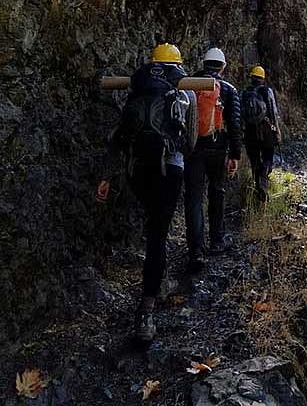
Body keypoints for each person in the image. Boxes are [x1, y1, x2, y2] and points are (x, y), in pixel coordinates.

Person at [96, 43, 197, 342]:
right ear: (178, 65)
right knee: (157, 235)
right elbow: (189, 143)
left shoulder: (137, 90)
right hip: (170, 169)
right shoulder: (186, 92)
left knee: (153, 225)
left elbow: (121, 134)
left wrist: (106, 176)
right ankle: (146, 309)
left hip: (136, 170)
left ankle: (158, 277)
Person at [184, 47, 241, 272]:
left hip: (193, 150)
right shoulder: (228, 89)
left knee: (194, 199)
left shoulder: (188, 85)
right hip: (217, 150)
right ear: (223, 67)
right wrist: (235, 155)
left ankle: (196, 251)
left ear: (204, 63)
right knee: (217, 192)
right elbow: (235, 125)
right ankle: (217, 241)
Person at [241, 65, 281, 203]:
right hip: (266, 129)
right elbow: (273, 112)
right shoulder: (267, 91)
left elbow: (240, 114)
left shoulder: (245, 92)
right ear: (263, 79)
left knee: (254, 160)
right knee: (268, 156)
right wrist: (277, 131)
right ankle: (264, 177)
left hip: (250, 131)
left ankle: (258, 187)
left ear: (251, 78)